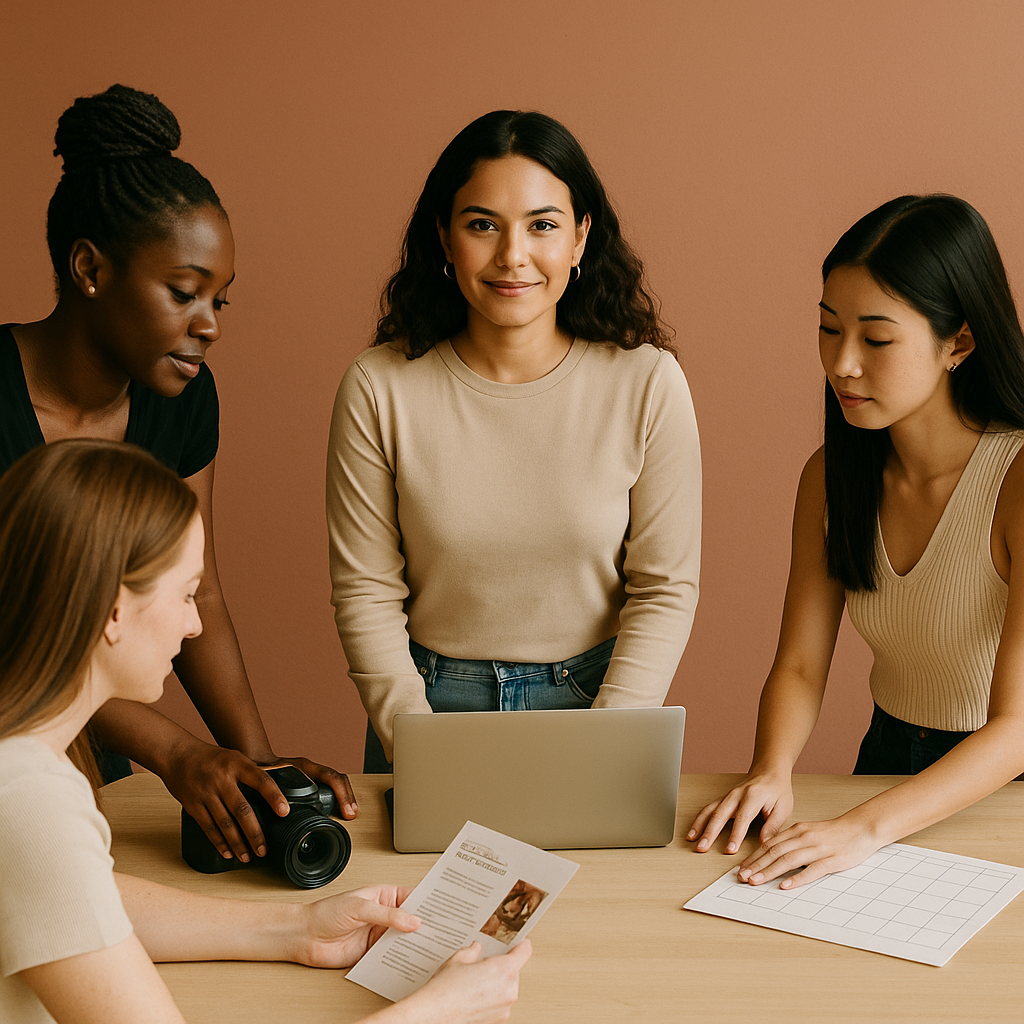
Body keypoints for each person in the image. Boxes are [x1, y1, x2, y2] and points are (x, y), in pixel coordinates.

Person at [0, 439, 531, 1024]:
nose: (196, 623)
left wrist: (298, 929)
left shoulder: (24, 768)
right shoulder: (30, 801)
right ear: (112, 611)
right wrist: (432, 1013)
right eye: (183, 595)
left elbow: (75, 898)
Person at [1, 83, 357, 861]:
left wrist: (258, 772)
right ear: (91, 268)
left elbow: (199, 592)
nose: (210, 327)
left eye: (221, 301)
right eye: (184, 292)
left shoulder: (181, 398)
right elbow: (18, 635)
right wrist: (176, 753)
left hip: (90, 744)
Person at [327, 110, 701, 771]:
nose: (512, 256)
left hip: (600, 703)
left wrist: (610, 742)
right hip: (428, 707)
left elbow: (665, 587)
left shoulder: (648, 383)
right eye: (482, 225)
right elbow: (365, 591)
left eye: (543, 225)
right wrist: (417, 746)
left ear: (581, 238)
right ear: (444, 236)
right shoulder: (378, 386)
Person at [688, 195, 1024, 888]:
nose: (841, 364)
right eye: (827, 329)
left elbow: (1016, 726)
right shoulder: (831, 476)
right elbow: (801, 667)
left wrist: (863, 826)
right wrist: (771, 770)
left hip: (1001, 785)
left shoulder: (1015, 479)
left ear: (957, 341)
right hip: (888, 756)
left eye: (875, 339)